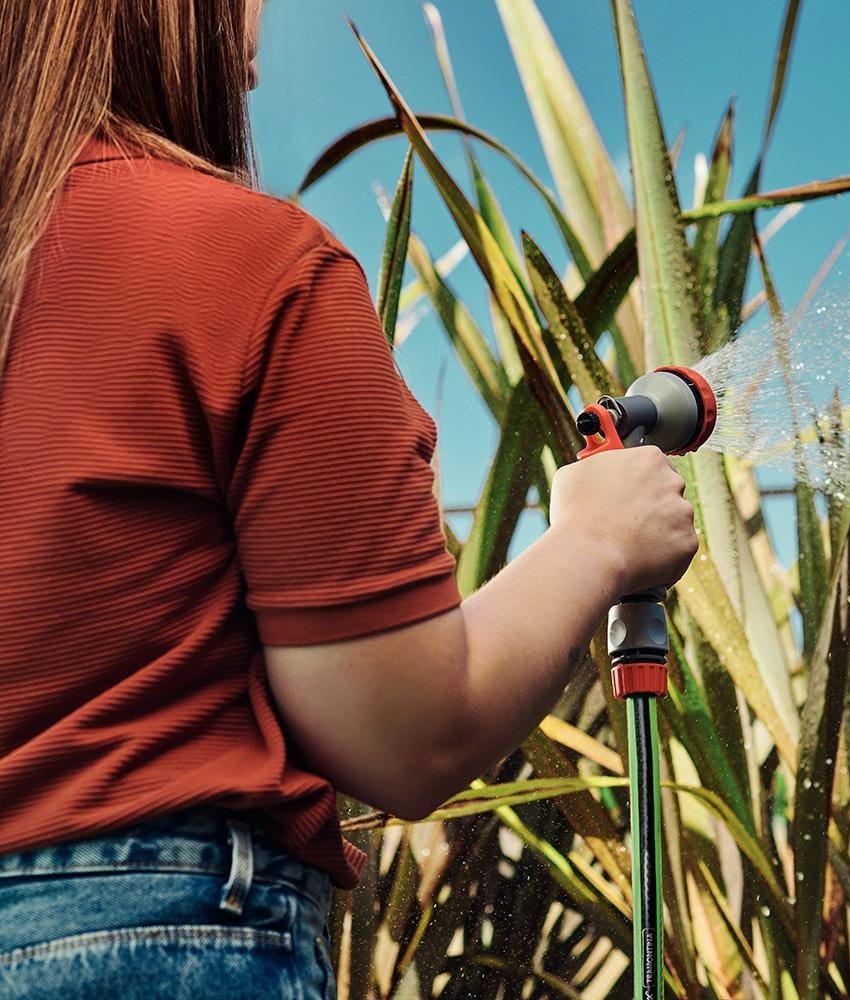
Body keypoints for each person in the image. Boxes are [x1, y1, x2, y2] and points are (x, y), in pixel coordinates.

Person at [0, 2, 698, 997]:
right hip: (153, 940)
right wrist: (596, 543)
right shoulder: (250, 262)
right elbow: (403, 735)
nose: (259, 31)